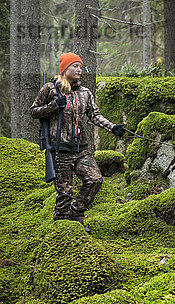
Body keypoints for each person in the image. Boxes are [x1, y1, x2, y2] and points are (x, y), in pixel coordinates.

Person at [30, 52, 126, 233]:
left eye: (80, 66)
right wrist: (53, 106)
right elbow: (34, 111)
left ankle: (76, 214)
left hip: (81, 148)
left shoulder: (85, 93)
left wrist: (112, 127)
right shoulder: (50, 89)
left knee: (95, 180)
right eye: (75, 66)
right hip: (60, 150)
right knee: (64, 193)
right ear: (65, 68)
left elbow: (95, 116)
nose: (79, 69)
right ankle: (61, 228)